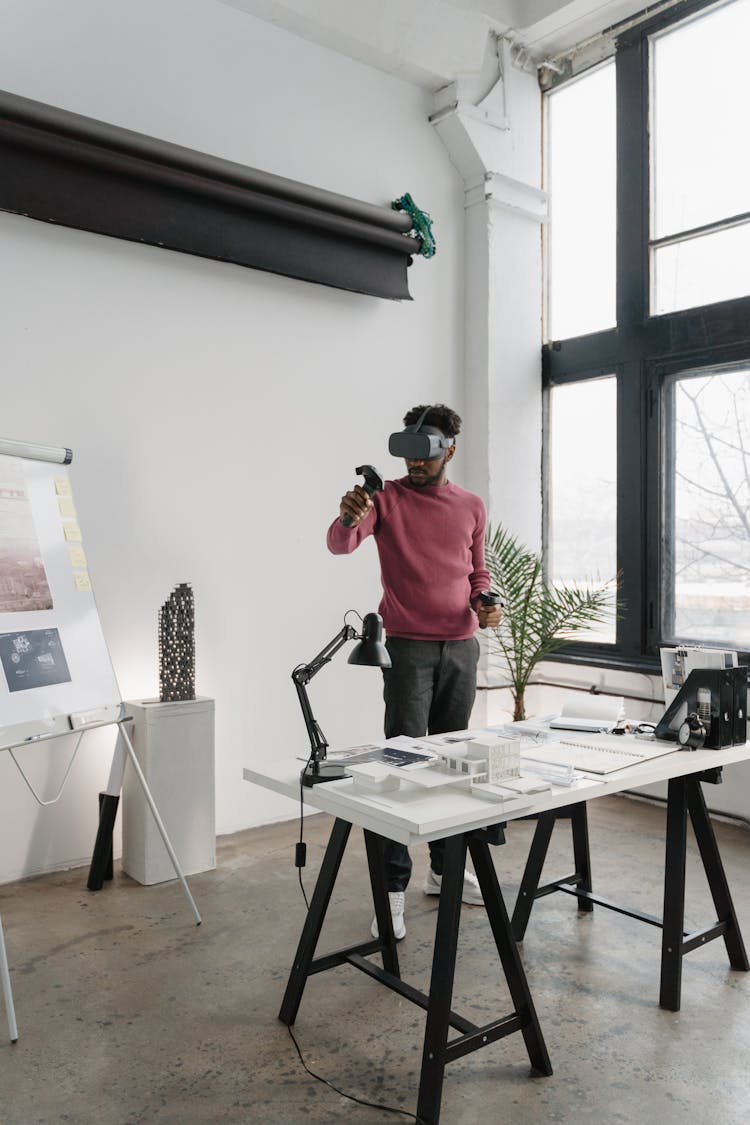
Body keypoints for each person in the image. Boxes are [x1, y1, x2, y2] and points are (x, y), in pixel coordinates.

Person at [326, 403, 502, 940]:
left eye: (425, 452)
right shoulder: (386, 500)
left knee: (452, 765)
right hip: (407, 651)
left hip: (462, 647)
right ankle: (392, 890)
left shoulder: (471, 506)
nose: (415, 463)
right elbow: (340, 543)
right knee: (400, 768)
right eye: (407, 450)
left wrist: (487, 602)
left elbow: (477, 571)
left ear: (449, 449)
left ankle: (444, 872)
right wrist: (350, 514)